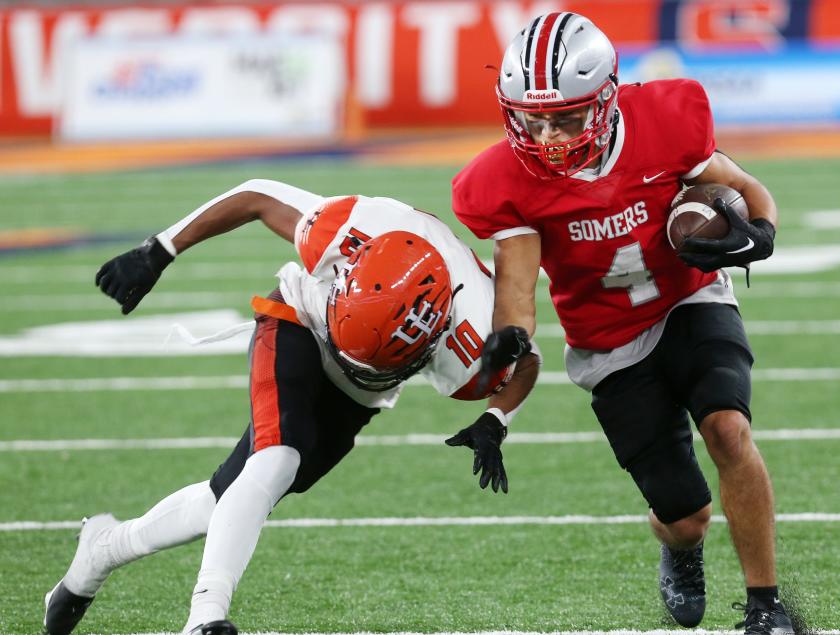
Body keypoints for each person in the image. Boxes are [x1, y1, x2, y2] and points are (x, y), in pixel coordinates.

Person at [43, 180, 540, 635]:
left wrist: (496, 418)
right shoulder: (349, 228)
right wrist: (162, 248)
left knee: (231, 498)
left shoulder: (474, 336)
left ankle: (105, 548)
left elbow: (528, 364)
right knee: (277, 459)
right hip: (302, 319)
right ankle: (204, 617)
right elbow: (255, 196)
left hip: (360, 392)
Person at [452, 12, 793, 635]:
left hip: (689, 299)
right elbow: (519, 288)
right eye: (534, 119)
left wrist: (762, 232)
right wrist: (510, 337)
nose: (549, 136)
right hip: (607, 341)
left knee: (728, 430)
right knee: (686, 516)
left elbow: (744, 187)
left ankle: (766, 606)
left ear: (607, 97)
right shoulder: (503, 179)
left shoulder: (665, 119)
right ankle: (679, 549)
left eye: (566, 117)